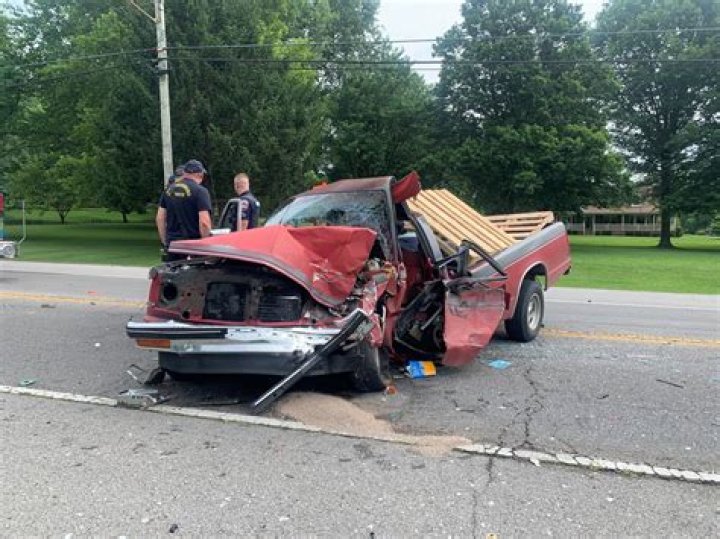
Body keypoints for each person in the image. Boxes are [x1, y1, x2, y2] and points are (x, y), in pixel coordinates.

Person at [156, 159, 213, 261]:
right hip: (193, 246)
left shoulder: (168, 190)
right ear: (200, 174)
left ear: (185, 173)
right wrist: (205, 244)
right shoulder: (201, 191)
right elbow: (204, 222)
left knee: (172, 270)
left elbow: (160, 218)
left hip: (173, 245)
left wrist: (165, 242)